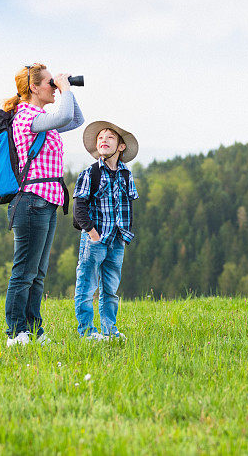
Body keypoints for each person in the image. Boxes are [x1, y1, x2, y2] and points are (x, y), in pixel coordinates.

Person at [4, 63, 84, 346]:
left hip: (46, 202)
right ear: (34, 88)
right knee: (24, 271)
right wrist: (65, 89)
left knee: (37, 273)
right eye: (49, 82)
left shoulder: (41, 118)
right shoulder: (26, 116)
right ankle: (15, 333)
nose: (53, 86)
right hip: (30, 202)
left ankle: (34, 330)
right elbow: (64, 113)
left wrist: (66, 90)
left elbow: (75, 119)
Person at [72, 120, 139, 340]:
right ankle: (87, 333)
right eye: (100, 137)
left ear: (121, 146)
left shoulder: (126, 174)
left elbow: (128, 204)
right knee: (87, 286)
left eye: (110, 137)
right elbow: (79, 207)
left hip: (116, 240)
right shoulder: (90, 173)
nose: (103, 140)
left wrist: (124, 234)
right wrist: (92, 233)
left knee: (110, 289)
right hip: (95, 238)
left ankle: (110, 330)